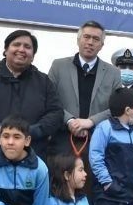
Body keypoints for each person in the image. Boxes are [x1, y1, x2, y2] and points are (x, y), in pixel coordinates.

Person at [0, 29, 63, 157]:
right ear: (6, 50)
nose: (22, 50)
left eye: (27, 47)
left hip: (33, 153)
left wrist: (29, 132)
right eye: (16, 44)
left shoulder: (44, 81)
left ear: (33, 55)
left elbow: (56, 112)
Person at [47, 21, 120, 158]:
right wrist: (70, 121)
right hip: (62, 139)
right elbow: (49, 100)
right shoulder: (58, 66)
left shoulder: (113, 73)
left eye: (96, 39)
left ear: (101, 45)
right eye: (86, 37)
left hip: (99, 141)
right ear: (78, 40)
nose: (90, 42)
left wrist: (91, 121)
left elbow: (117, 108)